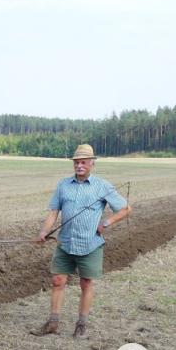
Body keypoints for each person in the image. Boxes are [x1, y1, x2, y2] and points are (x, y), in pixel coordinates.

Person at [33, 144, 131, 339]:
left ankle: (81, 325)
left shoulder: (102, 186)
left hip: (90, 244)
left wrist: (106, 222)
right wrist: (44, 231)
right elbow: (54, 211)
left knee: (86, 283)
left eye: (83, 162)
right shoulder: (63, 185)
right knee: (58, 280)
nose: (79, 165)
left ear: (92, 164)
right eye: (76, 162)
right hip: (66, 242)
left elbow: (126, 209)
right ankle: (53, 323)